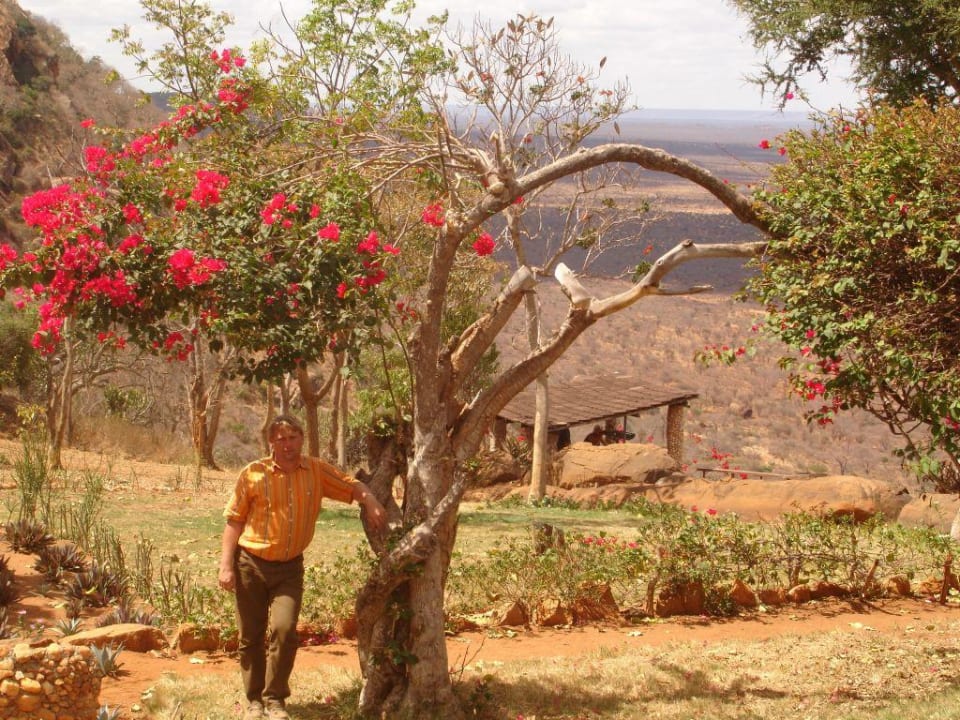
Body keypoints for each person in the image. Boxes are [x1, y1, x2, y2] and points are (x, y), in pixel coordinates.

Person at [218, 414, 387, 720]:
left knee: (284, 630)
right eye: (280, 438)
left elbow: (351, 485)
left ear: (302, 440)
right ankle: (254, 700)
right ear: (271, 442)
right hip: (250, 565)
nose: (287, 444)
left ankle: (275, 699)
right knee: (251, 635)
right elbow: (234, 520)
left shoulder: (316, 471)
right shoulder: (252, 474)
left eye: (293, 437)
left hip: (289, 568)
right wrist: (226, 565)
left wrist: (370, 500)